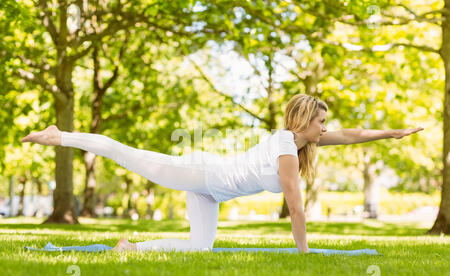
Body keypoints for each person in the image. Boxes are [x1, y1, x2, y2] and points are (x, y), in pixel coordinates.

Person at [21, 94, 424, 253]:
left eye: (325, 123)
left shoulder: (302, 142)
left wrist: (392, 132)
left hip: (210, 191)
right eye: (320, 121)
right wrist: (305, 255)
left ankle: (130, 249)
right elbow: (296, 210)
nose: (325, 128)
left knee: (200, 249)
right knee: (130, 155)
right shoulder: (287, 147)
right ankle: (63, 136)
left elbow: (351, 135)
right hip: (200, 172)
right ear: (304, 122)